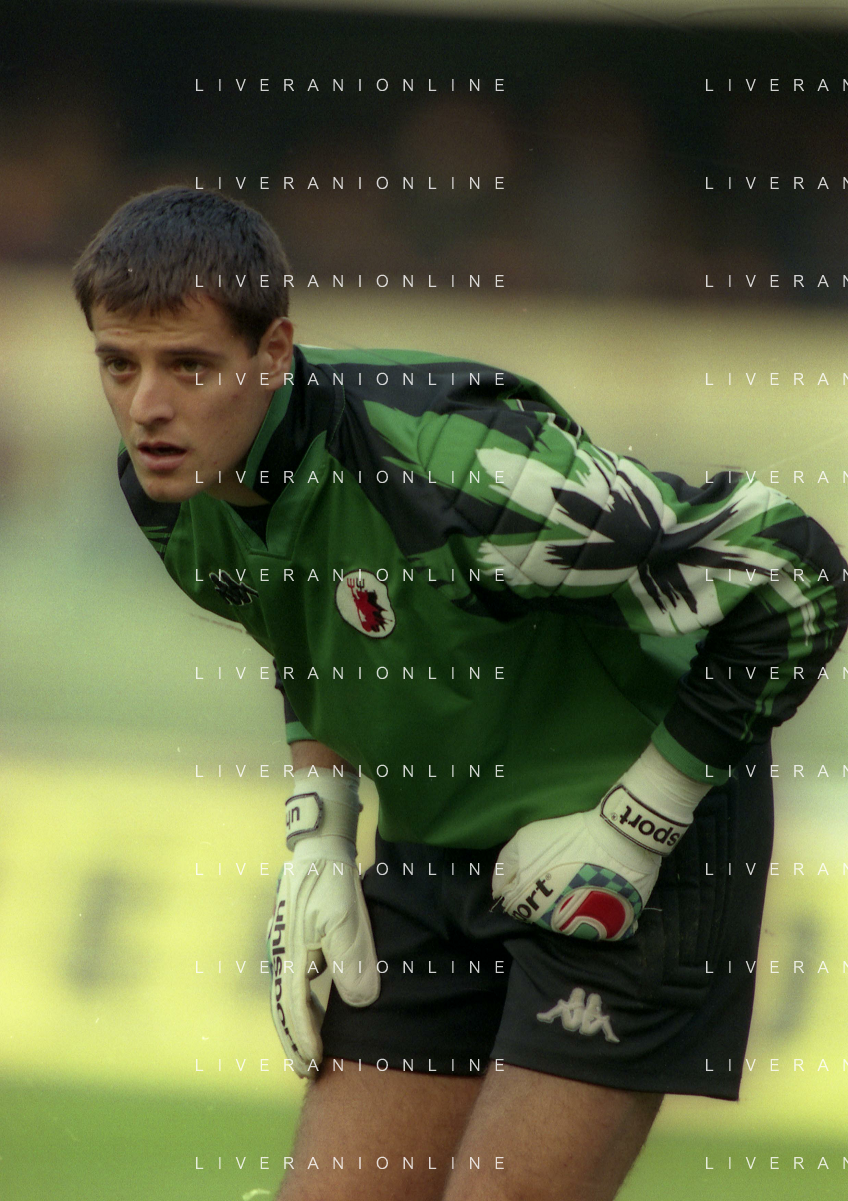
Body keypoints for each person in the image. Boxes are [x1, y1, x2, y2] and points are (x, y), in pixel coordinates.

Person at [74, 186, 848, 1201]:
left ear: (273, 353)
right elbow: (307, 630)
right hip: (437, 848)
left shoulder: (457, 471)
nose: (146, 406)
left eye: (188, 366)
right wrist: (319, 829)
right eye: (118, 365)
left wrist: (640, 819)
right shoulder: (169, 493)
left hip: (638, 846)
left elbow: (793, 568)